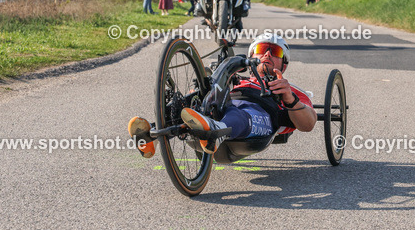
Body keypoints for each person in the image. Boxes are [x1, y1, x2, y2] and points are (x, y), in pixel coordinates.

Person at [127, 32, 315, 158]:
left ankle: (217, 130)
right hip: (224, 103)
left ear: (284, 63)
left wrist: (289, 98)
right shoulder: (237, 79)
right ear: (251, 58)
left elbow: (308, 124)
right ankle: (151, 133)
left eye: (274, 51)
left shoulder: (291, 90)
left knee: (242, 113)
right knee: (192, 101)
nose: (266, 54)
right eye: (260, 49)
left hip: (261, 115)